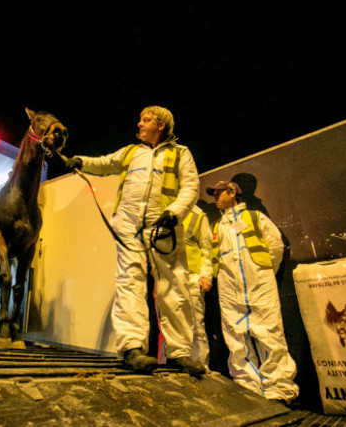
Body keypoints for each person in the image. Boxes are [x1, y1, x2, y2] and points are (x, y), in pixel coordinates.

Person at [63, 106, 205, 376]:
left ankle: (180, 353)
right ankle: (132, 348)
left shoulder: (181, 153)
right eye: (140, 119)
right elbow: (105, 164)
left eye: (146, 120)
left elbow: (191, 187)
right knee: (130, 281)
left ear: (161, 125)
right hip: (129, 226)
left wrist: (174, 212)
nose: (139, 124)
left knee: (174, 287)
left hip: (163, 226)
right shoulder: (130, 152)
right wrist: (80, 160)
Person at [207, 180, 299, 403]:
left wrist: (263, 271)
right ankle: (248, 390)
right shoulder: (217, 227)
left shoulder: (255, 217)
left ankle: (279, 391)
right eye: (214, 194)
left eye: (220, 193)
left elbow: (275, 245)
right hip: (229, 288)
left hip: (259, 284)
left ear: (233, 193)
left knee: (269, 334)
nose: (216, 198)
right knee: (236, 338)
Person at [181, 205, 213, 368]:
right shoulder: (163, 208)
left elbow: (207, 248)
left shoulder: (197, 215)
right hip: (169, 278)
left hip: (191, 277)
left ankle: (199, 365)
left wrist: (206, 274)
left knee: (195, 325)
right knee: (171, 325)